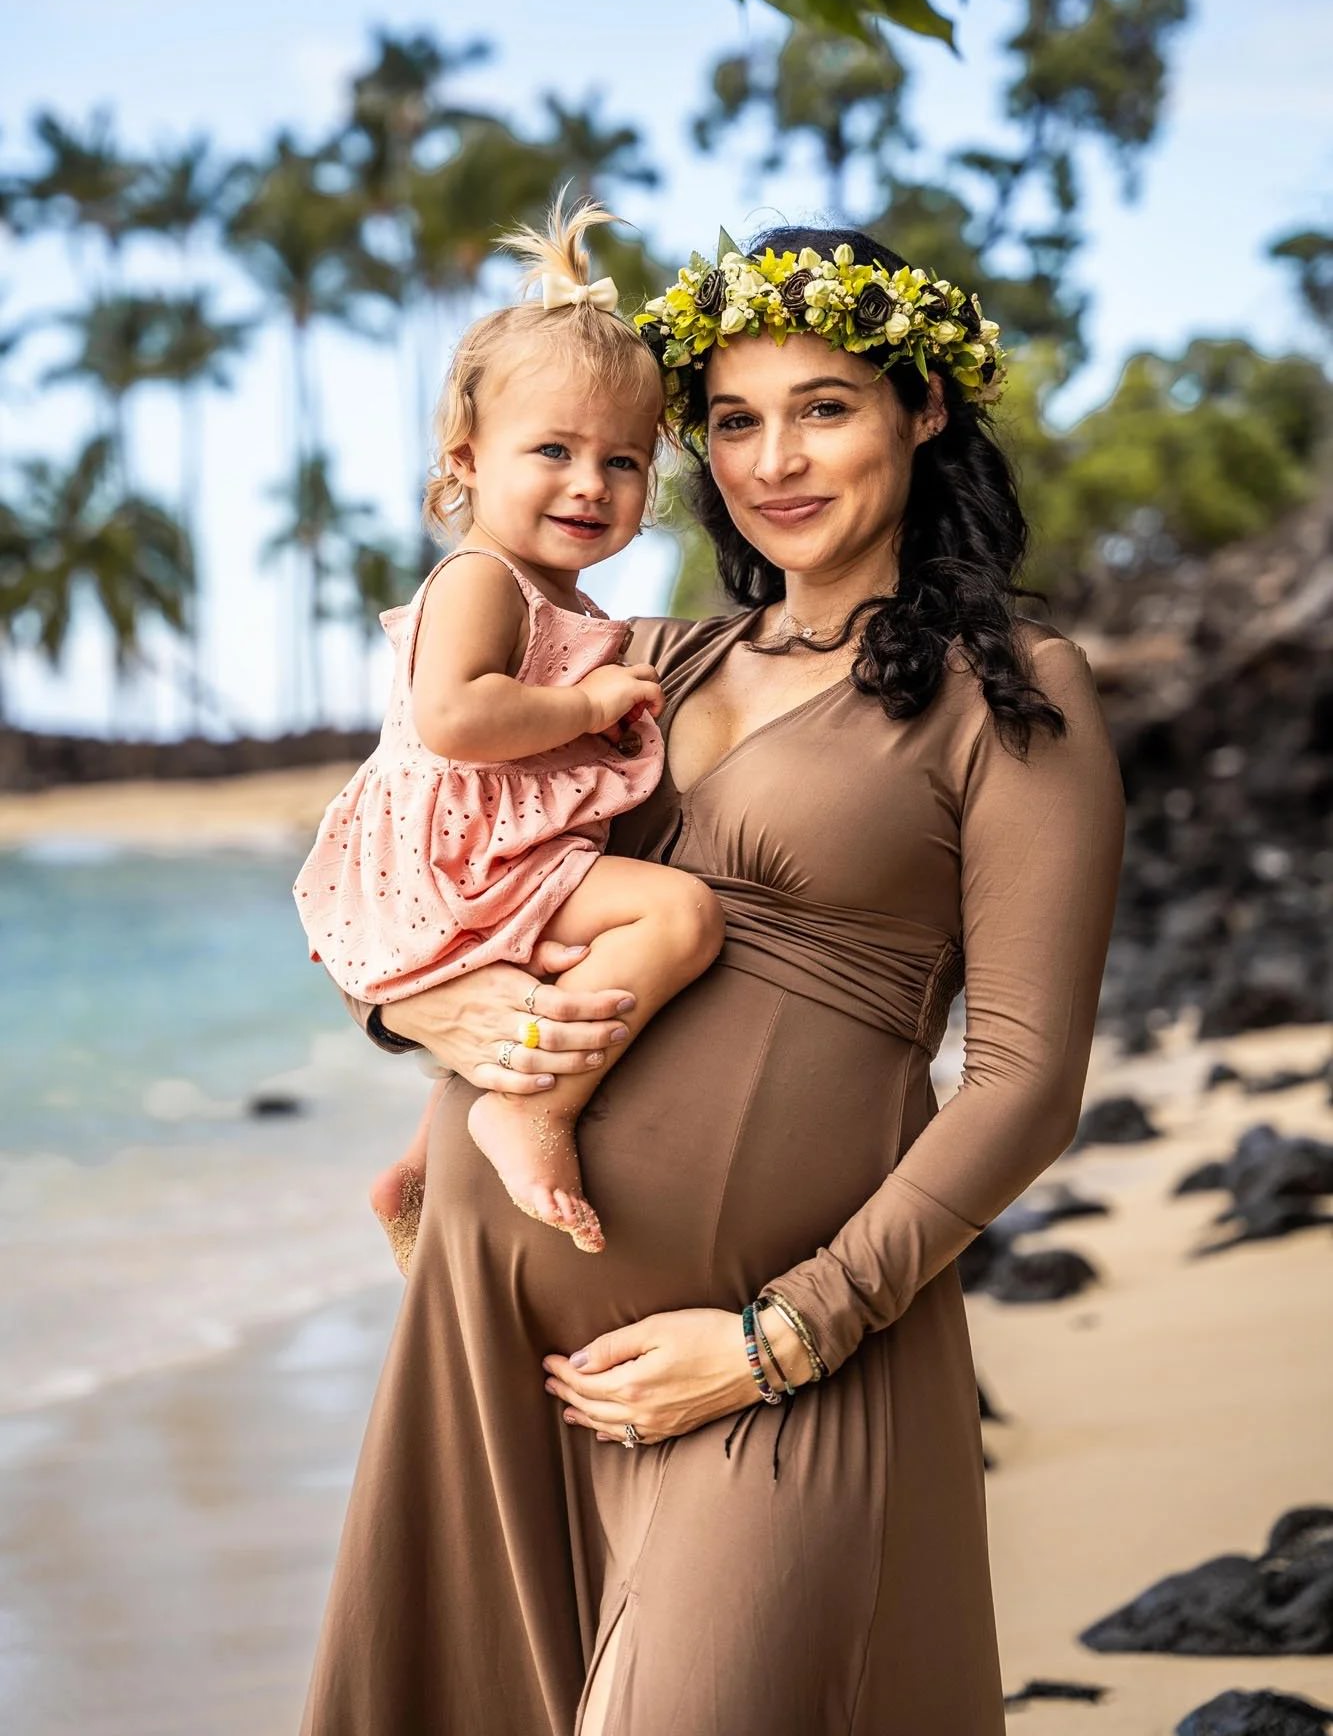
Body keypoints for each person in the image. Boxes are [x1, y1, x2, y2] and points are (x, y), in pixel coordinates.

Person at [299, 221, 1126, 1736]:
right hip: (505, 1333)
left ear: (921, 408)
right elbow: (421, 857)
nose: (774, 460)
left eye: (825, 406)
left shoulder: (1009, 692)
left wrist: (782, 1336)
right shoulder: (647, 662)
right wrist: (397, 1008)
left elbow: (1024, 1082)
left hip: (781, 1356)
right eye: (734, 420)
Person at [293, 194, 724, 1262]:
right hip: (460, 851)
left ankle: (422, 1160)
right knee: (677, 919)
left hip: (492, 849)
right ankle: (530, 1110)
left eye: (624, 461)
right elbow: (452, 714)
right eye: (554, 450)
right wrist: (583, 707)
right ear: (468, 455)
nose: (591, 482)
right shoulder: (485, 580)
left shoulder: (570, 604)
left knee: (539, 984)